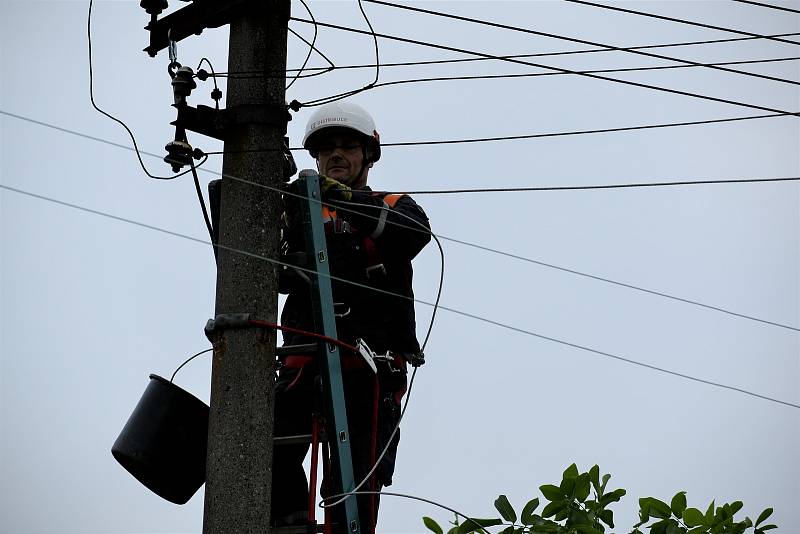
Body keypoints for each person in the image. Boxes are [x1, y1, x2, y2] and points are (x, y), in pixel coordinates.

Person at [272, 101, 431, 532]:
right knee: (265, 448)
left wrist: (343, 201)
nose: (335, 156)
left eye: (347, 147)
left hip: (370, 365)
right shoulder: (296, 210)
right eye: (326, 150)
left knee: (355, 482)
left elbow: (414, 234)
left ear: (368, 155)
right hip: (304, 356)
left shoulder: (393, 203)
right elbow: (263, 268)